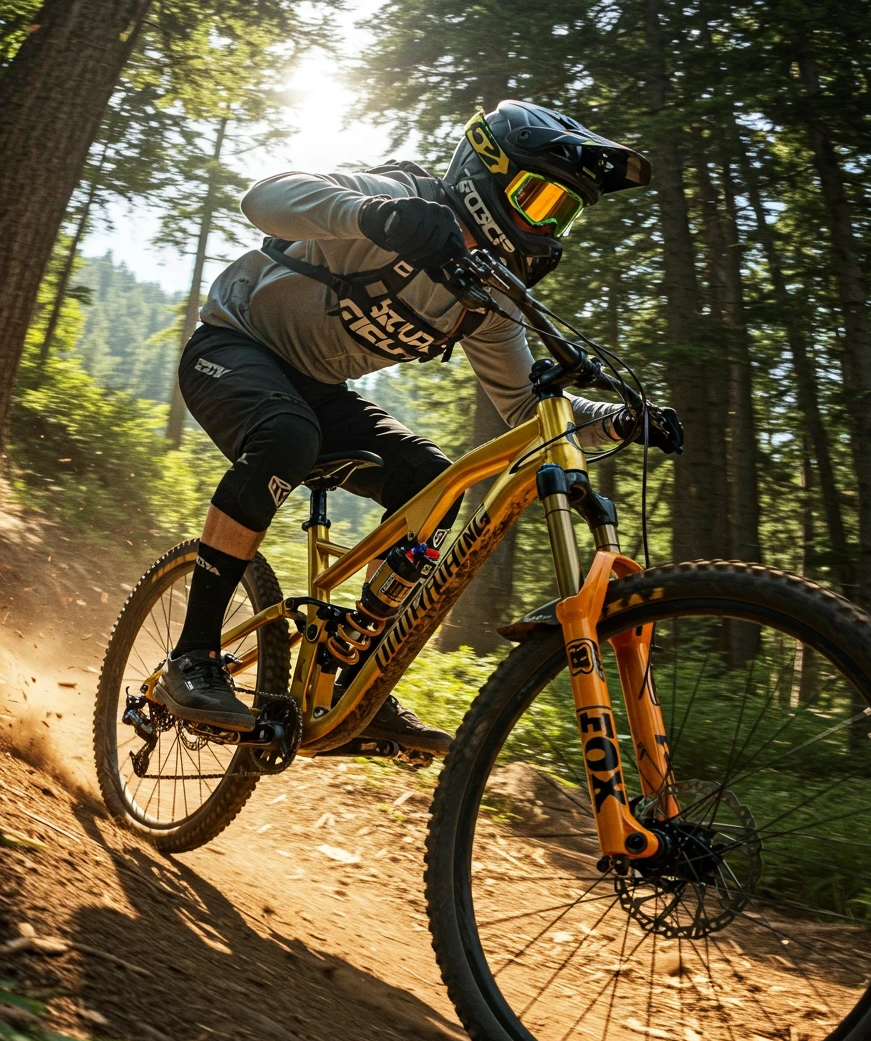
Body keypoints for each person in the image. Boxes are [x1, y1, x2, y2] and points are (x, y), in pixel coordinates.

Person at [156, 99, 681, 751]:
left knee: (433, 482)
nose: (545, 225)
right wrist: (374, 216)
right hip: (232, 347)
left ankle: (352, 675)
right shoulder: (400, 199)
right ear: (486, 175)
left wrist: (625, 423)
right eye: (537, 198)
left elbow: (526, 407)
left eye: (563, 213)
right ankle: (192, 657)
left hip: (318, 390)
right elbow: (264, 200)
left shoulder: (483, 300)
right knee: (287, 436)